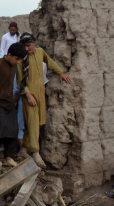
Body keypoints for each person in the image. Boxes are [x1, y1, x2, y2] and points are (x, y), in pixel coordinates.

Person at [16, 32, 72, 168]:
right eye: (24, 46)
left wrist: (60, 72)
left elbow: (50, 62)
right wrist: (28, 95)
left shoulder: (40, 52)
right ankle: (35, 152)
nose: (27, 49)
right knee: (33, 122)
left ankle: (23, 150)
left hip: (40, 94)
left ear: (34, 43)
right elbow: (20, 80)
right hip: (29, 96)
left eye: (28, 45)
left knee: (34, 123)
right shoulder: (21, 59)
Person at [0, 43, 27, 166]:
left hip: (8, 102)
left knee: (14, 128)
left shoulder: (14, 66)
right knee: (2, 126)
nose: (18, 62)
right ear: (9, 55)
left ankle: (8, 157)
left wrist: (13, 101)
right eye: (17, 59)